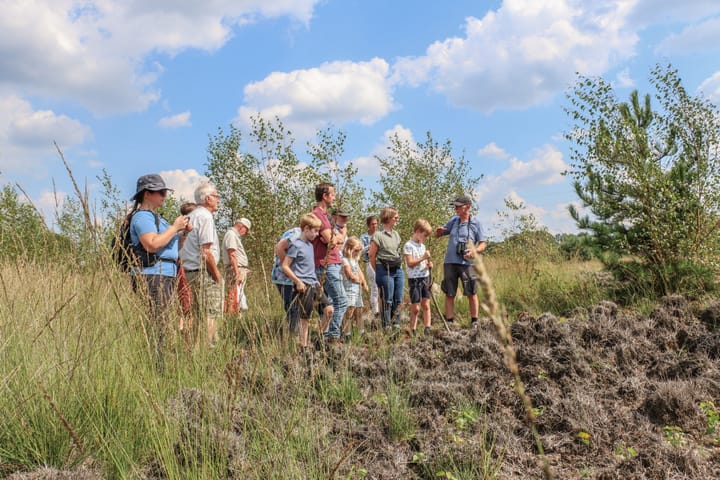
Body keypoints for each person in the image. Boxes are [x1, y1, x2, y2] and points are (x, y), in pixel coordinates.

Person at [129, 173, 190, 365]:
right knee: (159, 323)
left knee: (163, 322)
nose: (164, 196)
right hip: (153, 275)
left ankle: (159, 362)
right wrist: (174, 227)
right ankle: (156, 365)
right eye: (161, 192)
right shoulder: (143, 217)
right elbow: (151, 244)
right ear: (147, 194)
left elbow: (170, 248)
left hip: (164, 274)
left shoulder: (156, 218)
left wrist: (183, 234)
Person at [281, 213, 333, 351]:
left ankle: (318, 337)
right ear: (306, 229)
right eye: (315, 231)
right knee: (306, 318)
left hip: (314, 283)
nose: (317, 234)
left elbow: (310, 267)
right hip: (303, 285)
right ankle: (303, 347)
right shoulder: (295, 245)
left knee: (329, 310)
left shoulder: (310, 246)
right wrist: (297, 281)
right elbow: (285, 266)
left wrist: (318, 284)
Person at [179, 182, 223, 346]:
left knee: (198, 314)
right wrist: (217, 275)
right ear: (207, 198)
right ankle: (208, 350)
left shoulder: (191, 216)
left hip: (189, 271)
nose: (218, 200)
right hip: (203, 272)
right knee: (209, 314)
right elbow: (206, 252)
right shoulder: (205, 216)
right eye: (216, 196)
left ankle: (197, 351)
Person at [434, 195, 487, 328]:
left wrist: (474, 251)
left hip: (467, 263)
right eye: (455, 206)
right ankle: (450, 322)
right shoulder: (454, 220)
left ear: (468, 207)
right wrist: (439, 232)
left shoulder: (476, 223)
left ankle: (474, 321)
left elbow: (483, 244)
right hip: (450, 262)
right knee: (449, 292)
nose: (455, 208)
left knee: (471, 292)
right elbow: (439, 234)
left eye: (458, 206)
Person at [311, 182, 348, 344]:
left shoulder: (326, 216)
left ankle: (324, 336)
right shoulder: (318, 215)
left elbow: (338, 238)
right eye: (332, 194)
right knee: (341, 301)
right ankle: (333, 336)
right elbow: (331, 240)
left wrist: (336, 237)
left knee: (331, 303)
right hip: (326, 263)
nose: (334, 197)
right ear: (325, 196)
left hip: (331, 263)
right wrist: (336, 238)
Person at [369, 207, 404, 330]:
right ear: (388, 217)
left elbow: (398, 251)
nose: (397, 218)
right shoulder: (378, 235)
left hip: (397, 269)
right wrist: (378, 269)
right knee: (387, 298)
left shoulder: (396, 234)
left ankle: (397, 324)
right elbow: (372, 255)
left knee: (398, 298)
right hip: (384, 269)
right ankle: (386, 326)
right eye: (395, 216)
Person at [404, 219, 433, 335]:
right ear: (417, 231)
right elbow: (410, 263)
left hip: (425, 277)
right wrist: (423, 258)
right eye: (425, 235)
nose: (425, 238)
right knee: (416, 307)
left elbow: (423, 263)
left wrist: (429, 265)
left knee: (426, 304)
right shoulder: (408, 245)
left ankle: (428, 327)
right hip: (414, 279)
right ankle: (413, 329)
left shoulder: (423, 246)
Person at [271, 225, 302, 333]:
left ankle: (294, 334)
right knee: (293, 307)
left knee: (295, 308)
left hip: (290, 277)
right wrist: (288, 267)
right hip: (284, 278)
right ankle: (293, 337)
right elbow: (279, 247)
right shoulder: (297, 233)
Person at [222, 218, 251, 315]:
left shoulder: (233, 235)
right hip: (235, 269)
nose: (245, 233)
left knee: (238, 295)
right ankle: (232, 320)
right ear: (242, 226)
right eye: (246, 231)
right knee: (233, 296)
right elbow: (232, 254)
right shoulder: (231, 234)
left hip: (238, 268)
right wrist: (237, 272)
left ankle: (236, 319)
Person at [341, 236, 368, 338]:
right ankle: (346, 333)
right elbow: (349, 274)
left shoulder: (354, 260)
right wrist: (357, 279)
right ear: (349, 248)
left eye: (359, 251)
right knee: (349, 311)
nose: (357, 253)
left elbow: (359, 271)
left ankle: (361, 331)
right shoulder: (345, 260)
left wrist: (364, 282)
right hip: (349, 288)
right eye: (355, 250)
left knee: (359, 310)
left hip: (357, 289)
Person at [177, 202, 197, 339]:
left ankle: (182, 329)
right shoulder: (187, 231)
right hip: (186, 269)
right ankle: (186, 333)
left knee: (183, 302)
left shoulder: (178, 230)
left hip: (179, 268)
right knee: (188, 303)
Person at [360, 215, 380, 320]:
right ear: (368, 225)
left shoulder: (381, 235)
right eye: (372, 224)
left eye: (376, 224)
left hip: (381, 263)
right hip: (370, 263)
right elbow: (360, 251)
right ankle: (375, 312)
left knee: (384, 288)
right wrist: (371, 246)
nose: (375, 226)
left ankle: (383, 310)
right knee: (374, 287)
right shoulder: (364, 237)